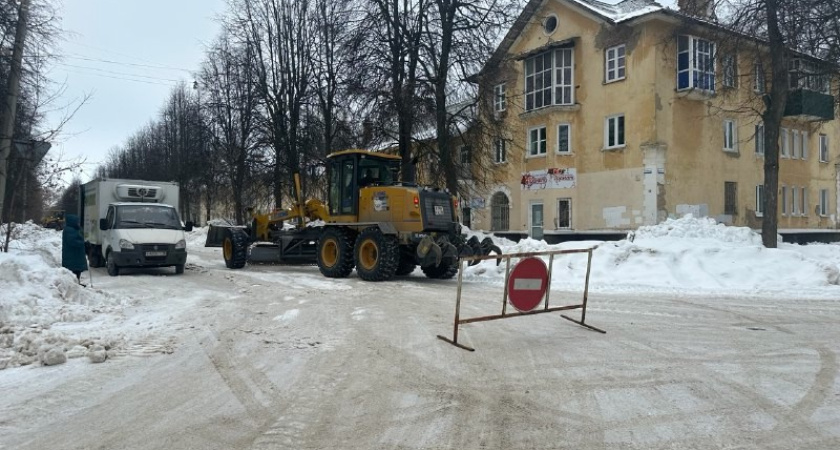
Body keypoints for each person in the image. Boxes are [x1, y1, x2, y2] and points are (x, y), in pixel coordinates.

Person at [62, 214, 89, 285]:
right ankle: (75, 284)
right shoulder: (69, 230)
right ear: (72, 222)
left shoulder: (76, 229)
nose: (78, 223)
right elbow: (73, 242)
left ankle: (77, 283)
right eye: (77, 221)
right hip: (72, 255)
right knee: (74, 271)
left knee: (77, 271)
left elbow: (82, 236)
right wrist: (83, 243)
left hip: (76, 255)